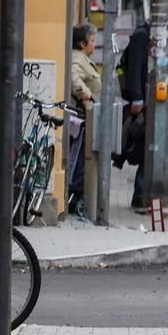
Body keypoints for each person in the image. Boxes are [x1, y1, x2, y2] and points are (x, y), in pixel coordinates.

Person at [116, 13, 168, 210]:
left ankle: (144, 194)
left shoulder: (163, 39)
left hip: (161, 102)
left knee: (153, 146)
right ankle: (142, 193)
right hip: (146, 103)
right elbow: (135, 69)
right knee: (148, 147)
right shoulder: (142, 36)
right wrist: (137, 99)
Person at [69, 23, 103, 212]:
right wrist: (85, 93)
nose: (95, 44)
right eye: (92, 40)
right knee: (81, 161)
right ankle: (78, 200)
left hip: (90, 117)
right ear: (82, 43)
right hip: (85, 117)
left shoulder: (82, 58)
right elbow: (73, 77)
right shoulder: (77, 59)